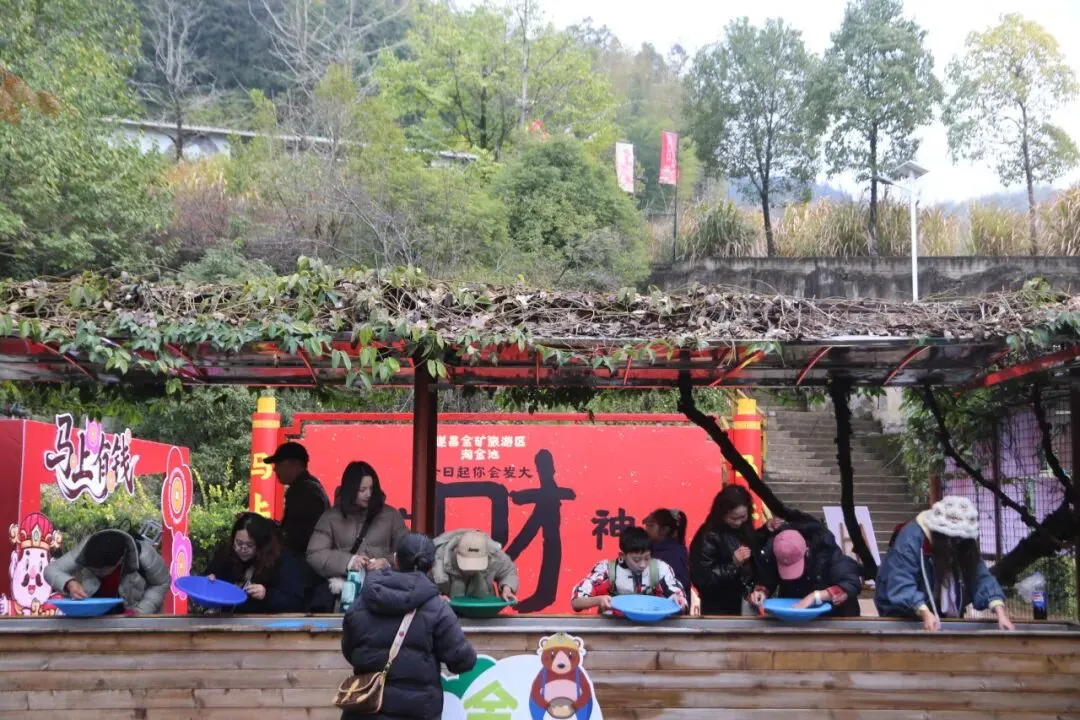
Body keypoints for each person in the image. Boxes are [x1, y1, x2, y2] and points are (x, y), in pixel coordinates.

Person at [340, 533, 477, 720]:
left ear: (396, 559)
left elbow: (350, 652)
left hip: (365, 709)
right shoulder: (437, 608)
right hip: (417, 711)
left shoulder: (362, 601)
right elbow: (462, 661)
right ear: (431, 566)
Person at [876, 495, 1015, 632]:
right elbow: (901, 581)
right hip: (900, 610)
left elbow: (981, 576)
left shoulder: (963, 542)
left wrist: (1000, 612)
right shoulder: (910, 538)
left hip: (938, 610)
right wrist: (924, 611)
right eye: (954, 540)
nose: (957, 544)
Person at [308, 461, 408, 609]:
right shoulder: (330, 517)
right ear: (350, 490)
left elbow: (408, 552)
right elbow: (314, 554)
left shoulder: (391, 515)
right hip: (345, 595)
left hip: (384, 594)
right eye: (362, 490)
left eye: (372, 488)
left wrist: (387, 562)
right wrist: (349, 562)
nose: (368, 494)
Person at [751, 517, 863, 617]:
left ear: (807, 551)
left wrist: (815, 596)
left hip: (836, 616)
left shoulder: (827, 551)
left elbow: (850, 583)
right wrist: (762, 591)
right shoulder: (775, 549)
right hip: (795, 614)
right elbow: (768, 577)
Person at [43, 528, 170, 615]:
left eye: (101, 570)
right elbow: (51, 570)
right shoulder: (87, 547)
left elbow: (162, 583)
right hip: (95, 617)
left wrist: (141, 611)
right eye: (92, 569)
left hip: (136, 617)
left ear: (119, 561)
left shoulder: (144, 554)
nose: (96, 573)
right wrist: (69, 583)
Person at [205, 512, 305, 613]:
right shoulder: (227, 553)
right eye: (239, 543)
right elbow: (207, 582)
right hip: (227, 618)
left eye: (250, 545)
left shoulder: (282, 559)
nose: (243, 549)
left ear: (262, 544)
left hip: (265, 619)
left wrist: (267, 595)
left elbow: (295, 602)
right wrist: (208, 582)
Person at [570, 526, 687, 613]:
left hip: (653, 628)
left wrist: (679, 599)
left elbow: (677, 595)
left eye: (647, 558)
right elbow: (576, 602)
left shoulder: (660, 569)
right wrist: (599, 600)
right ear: (622, 555)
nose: (642, 565)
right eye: (636, 560)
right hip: (614, 629)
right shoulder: (607, 570)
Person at [689, 485, 766, 616]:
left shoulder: (745, 528)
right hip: (718, 608)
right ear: (722, 514)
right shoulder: (708, 535)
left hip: (746, 601)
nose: (738, 522)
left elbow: (756, 550)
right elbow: (702, 579)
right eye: (733, 518)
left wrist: (766, 531)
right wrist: (733, 564)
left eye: (743, 517)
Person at [266, 441, 329, 558]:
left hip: (302, 559)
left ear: (295, 464)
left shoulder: (304, 491)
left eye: (279, 464)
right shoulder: (309, 486)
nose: (274, 469)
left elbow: (297, 536)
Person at [431, 529, 519, 601]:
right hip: (448, 610)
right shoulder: (437, 558)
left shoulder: (493, 554)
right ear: (456, 552)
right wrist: (435, 598)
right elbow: (424, 586)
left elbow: (508, 571)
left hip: (483, 607)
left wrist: (507, 588)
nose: (471, 570)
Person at [643, 508, 691, 594]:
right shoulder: (651, 549)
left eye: (651, 526)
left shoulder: (674, 555)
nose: (646, 529)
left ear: (664, 530)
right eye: (646, 525)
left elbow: (678, 587)